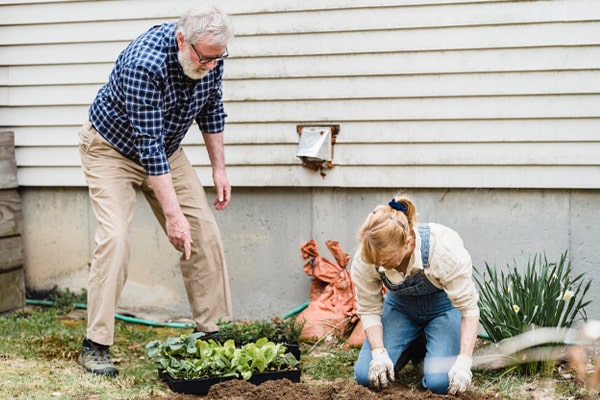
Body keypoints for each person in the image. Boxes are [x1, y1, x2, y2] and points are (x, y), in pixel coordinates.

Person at [77, 5, 234, 376]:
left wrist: (219, 169)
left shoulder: (211, 54)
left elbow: (212, 109)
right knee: (115, 238)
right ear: (183, 40)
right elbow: (148, 148)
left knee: (204, 235)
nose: (212, 65)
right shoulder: (144, 63)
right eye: (206, 58)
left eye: (218, 58)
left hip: (166, 149)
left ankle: (212, 334)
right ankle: (95, 344)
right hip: (111, 148)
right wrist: (173, 217)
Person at [351, 195, 480, 394]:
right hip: (400, 309)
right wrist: (378, 353)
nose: (378, 266)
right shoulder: (370, 255)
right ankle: (413, 347)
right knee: (365, 376)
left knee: (441, 383)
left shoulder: (443, 250)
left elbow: (469, 310)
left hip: (443, 309)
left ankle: (428, 346)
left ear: (408, 243)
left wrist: (464, 362)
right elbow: (368, 308)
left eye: (386, 260)